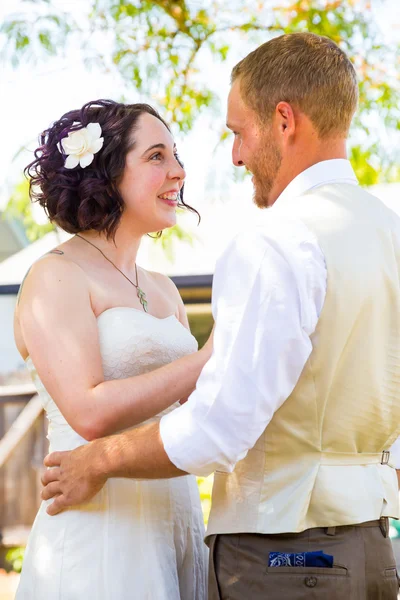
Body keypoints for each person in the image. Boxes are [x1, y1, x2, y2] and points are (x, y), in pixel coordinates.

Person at [42, 33, 400, 600]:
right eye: (158, 155)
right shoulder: (390, 233)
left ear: (284, 120)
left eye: (239, 133)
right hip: (374, 549)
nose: (233, 156)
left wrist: (99, 460)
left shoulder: (279, 239)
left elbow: (219, 427)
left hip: (285, 557)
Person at [14, 100, 210, 599]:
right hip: (101, 533)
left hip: (178, 522)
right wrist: (208, 359)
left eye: (176, 155)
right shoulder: (56, 275)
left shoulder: (164, 290)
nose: (178, 171)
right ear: (106, 174)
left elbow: (198, 413)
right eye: (157, 157)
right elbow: (89, 411)